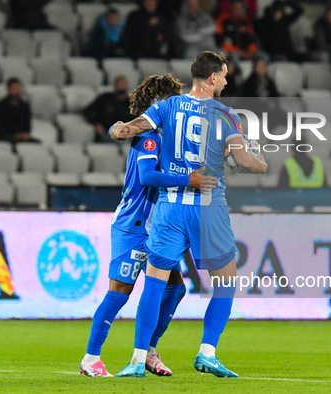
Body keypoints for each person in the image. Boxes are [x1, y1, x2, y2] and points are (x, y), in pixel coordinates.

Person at [109, 51, 267, 378]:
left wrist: (117, 129)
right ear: (211, 78)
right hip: (208, 208)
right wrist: (261, 162)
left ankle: (138, 358)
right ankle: (207, 352)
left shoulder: (167, 107)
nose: (225, 81)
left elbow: (128, 130)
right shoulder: (225, 114)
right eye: (223, 76)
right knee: (225, 283)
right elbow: (246, 162)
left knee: (155, 283)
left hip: (169, 208)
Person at [80, 74, 217, 377]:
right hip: (134, 224)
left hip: (158, 227)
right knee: (119, 292)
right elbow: (147, 177)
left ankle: (149, 351)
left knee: (174, 289)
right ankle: (91, 358)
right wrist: (187, 180)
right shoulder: (149, 137)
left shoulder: (170, 139)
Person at [82, 76, 134, 143]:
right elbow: (88, 111)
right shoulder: (106, 98)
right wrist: (97, 124)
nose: (123, 86)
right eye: (120, 84)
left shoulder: (129, 103)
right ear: (115, 85)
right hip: (106, 133)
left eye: (124, 84)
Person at [0, 78, 39, 144]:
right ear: (9, 90)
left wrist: (23, 134)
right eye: (14, 88)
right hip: (4, 136)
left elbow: (27, 125)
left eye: (18, 88)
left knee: (36, 143)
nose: (17, 90)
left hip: (20, 137)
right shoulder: (0, 106)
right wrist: (15, 135)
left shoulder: (24, 106)